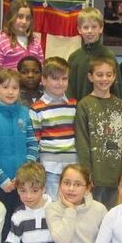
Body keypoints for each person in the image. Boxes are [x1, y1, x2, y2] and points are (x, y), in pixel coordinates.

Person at [0, 68, 38, 243]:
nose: (10, 92)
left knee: (23, 225)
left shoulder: (24, 112)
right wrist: (3, 179)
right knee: (2, 227)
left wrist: (23, 176)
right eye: (5, 87)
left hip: (22, 183)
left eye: (15, 87)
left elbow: (33, 144)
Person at [75, 56, 122, 208]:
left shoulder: (120, 105)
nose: (104, 79)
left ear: (114, 76)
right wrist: (87, 173)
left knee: (111, 214)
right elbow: (82, 141)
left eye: (109, 74)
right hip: (94, 176)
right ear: (90, 76)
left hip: (115, 174)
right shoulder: (85, 105)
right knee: (93, 215)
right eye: (99, 74)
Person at [29, 57, 77, 201]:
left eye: (64, 78)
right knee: (53, 206)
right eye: (55, 78)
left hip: (73, 165)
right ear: (43, 80)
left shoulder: (74, 105)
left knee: (73, 204)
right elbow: (35, 141)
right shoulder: (37, 108)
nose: (60, 83)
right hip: (50, 168)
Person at [67, 7, 122, 101]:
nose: (90, 31)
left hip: (105, 110)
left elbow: (117, 88)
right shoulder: (74, 58)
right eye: (86, 27)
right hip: (79, 110)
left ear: (101, 28)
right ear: (79, 30)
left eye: (94, 27)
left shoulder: (109, 56)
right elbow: (69, 89)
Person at [0, 0, 44, 70]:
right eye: (20, 17)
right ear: (11, 17)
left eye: (28, 18)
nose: (24, 21)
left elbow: (41, 68)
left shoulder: (35, 41)